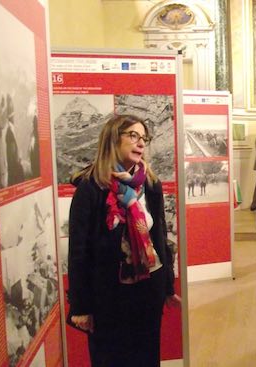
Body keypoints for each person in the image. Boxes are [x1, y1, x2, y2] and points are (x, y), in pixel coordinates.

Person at [67, 115, 181, 367]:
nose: (140, 143)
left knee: (146, 357)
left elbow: (160, 237)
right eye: (133, 135)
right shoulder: (91, 188)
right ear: (112, 139)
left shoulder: (150, 185)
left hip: (147, 290)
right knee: (110, 359)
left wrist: (167, 287)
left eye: (144, 138)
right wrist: (80, 306)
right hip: (108, 296)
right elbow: (78, 252)